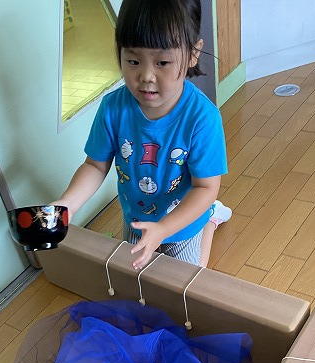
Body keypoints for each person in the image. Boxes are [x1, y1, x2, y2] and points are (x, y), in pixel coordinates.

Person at [53, 0, 231, 270]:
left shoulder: (202, 117)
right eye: (133, 61)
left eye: (162, 62)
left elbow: (205, 187)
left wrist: (164, 229)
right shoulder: (113, 108)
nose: (146, 76)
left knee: (185, 278)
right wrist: (67, 204)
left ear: (193, 54)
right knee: (135, 276)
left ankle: (211, 219)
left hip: (184, 220)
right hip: (136, 218)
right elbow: (95, 166)